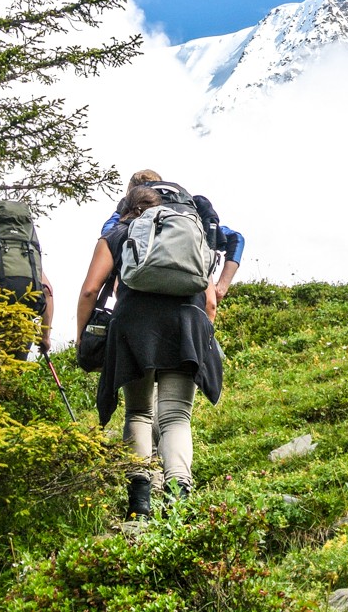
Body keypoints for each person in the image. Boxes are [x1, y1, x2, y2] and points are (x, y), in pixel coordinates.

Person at [77, 185, 223, 519]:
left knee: (139, 413)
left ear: (126, 208)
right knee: (176, 416)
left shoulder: (116, 234)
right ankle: (179, 497)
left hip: (135, 327)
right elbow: (210, 299)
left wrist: (81, 335)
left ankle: (138, 505)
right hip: (186, 325)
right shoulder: (188, 231)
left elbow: (89, 291)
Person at [100, 169, 246, 303]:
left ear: (131, 194)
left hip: (134, 301)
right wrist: (221, 288)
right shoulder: (191, 213)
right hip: (190, 306)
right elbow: (236, 238)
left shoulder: (128, 214)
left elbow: (108, 234)